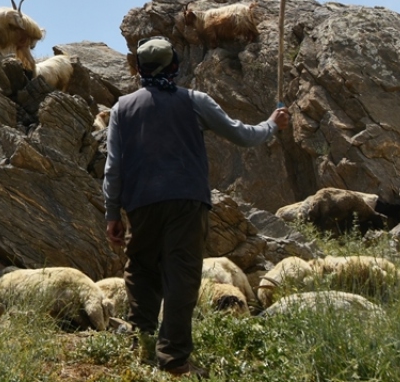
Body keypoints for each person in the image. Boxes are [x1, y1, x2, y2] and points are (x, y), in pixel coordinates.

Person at [102, 36, 290, 377]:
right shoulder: (194, 101)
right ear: (174, 65)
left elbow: (113, 167)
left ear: (140, 69)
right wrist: (272, 125)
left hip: (141, 203)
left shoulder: (121, 109)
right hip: (186, 202)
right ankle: (173, 359)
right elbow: (242, 135)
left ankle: (140, 341)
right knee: (182, 275)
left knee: (141, 268)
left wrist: (112, 213)